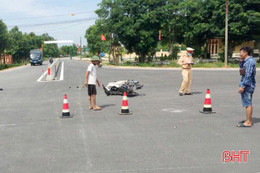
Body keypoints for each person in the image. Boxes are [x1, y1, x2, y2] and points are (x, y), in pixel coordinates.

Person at [237, 47, 256, 127]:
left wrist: (243, 86)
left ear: (245, 53)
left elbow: (248, 75)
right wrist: (241, 61)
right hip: (247, 84)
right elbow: (241, 69)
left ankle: (248, 122)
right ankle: (248, 119)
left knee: (248, 103)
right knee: (247, 102)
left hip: (248, 85)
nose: (240, 54)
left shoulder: (249, 62)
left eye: (241, 52)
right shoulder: (246, 61)